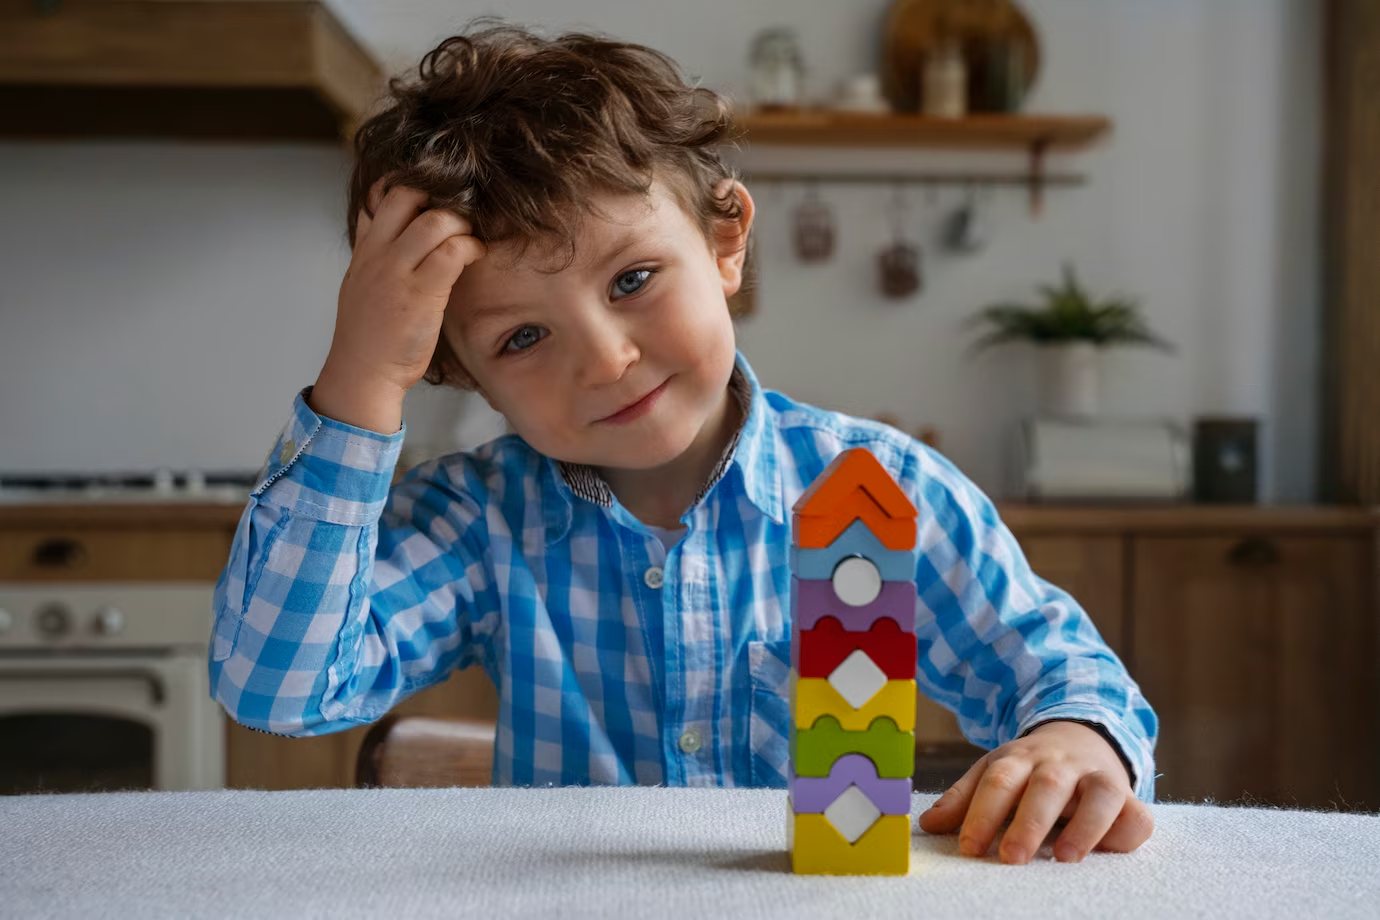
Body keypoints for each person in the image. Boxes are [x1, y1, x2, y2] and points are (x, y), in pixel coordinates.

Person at [209, 22, 1157, 865]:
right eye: (523, 338)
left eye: (634, 280)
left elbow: (1062, 670)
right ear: (457, 371)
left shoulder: (884, 487)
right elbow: (279, 692)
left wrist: (1078, 739)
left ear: (725, 240)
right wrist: (366, 376)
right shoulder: (477, 520)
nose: (608, 361)